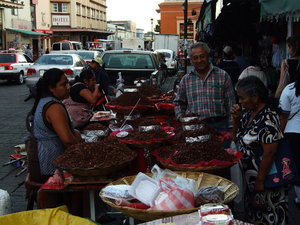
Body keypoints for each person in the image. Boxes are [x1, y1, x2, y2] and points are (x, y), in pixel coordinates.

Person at [231, 76, 287, 224]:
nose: (240, 101)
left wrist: (260, 182)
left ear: (255, 97)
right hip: (252, 180)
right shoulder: (249, 114)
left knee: (269, 215)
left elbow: (269, 153)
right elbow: (236, 138)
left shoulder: (268, 118)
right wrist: (236, 119)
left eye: (242, 98)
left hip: (266, 181)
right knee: (255, 217)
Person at [30, 68, 83, 178]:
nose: (68, 87)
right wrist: (84, 153)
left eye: (68, 83)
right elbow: (68, 140)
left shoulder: (46, 100)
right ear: (51, 88)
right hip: (50, 164)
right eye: (63, 85)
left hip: (43, 158)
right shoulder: (54, 107)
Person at [174, 42, 236, 131]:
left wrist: (231, 127)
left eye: (202, 56)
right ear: (191, 60)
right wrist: (182, 118)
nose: (199, 60)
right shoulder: (186, 79)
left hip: (219, 126)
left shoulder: (223, 75)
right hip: (195, 127)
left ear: (208, 56)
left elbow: (230, 103)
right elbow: (178, 102)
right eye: (195, 58)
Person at [279, 67, 300, 206]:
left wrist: (279, 134)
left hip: (293, 133)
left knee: (297, 166)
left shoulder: (289, 89)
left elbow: (284, 115)